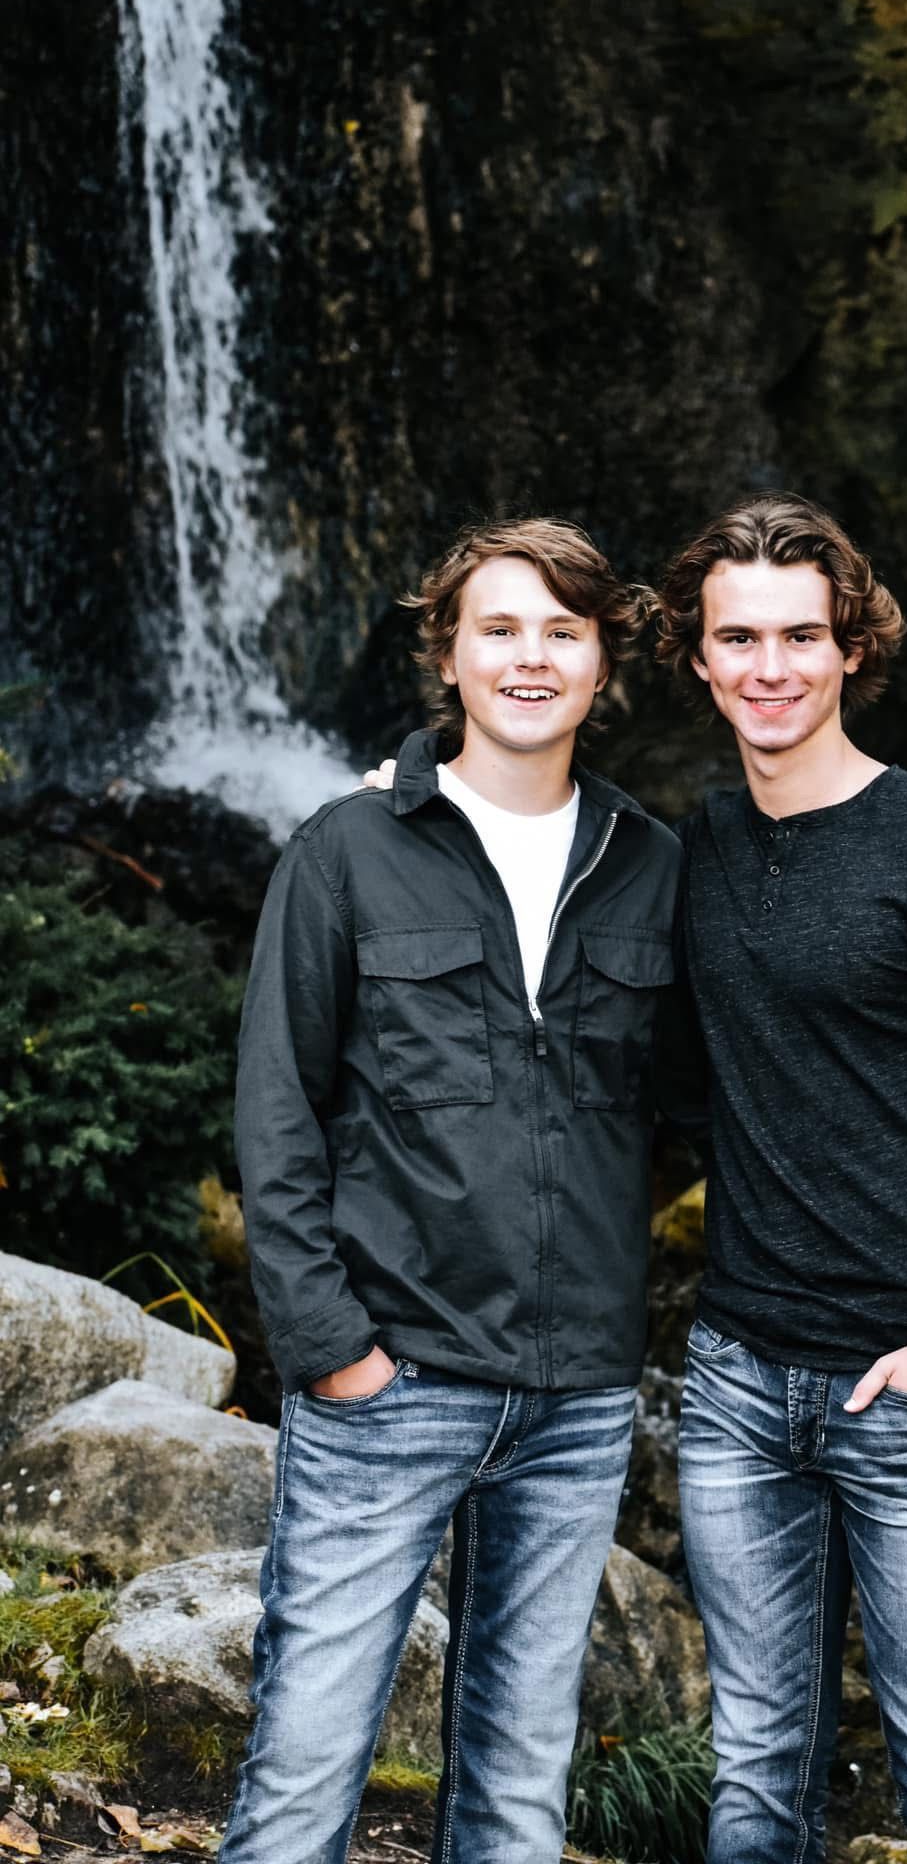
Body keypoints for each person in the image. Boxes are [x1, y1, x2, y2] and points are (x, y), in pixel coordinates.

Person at [223, 518, 687, 1864]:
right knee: (306, 1772)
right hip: (392, 1382)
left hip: (579, 1395)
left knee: (520, 1791)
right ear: (448, 653)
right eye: (500, 628)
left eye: (562, 630)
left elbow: (728, 1087)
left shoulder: (654, 868)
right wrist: (333, 1352)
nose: (530, 657)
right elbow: (277, 1107)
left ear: (604, 662)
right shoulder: (347, 850)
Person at [653, 493, 907, 1864]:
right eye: (740, 638)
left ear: (850, 649)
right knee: (756, 1771)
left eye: (800, 636)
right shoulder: (692, 852)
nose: (770, 666)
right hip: (735, 1386)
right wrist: (405, 778)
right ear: (700, 660)